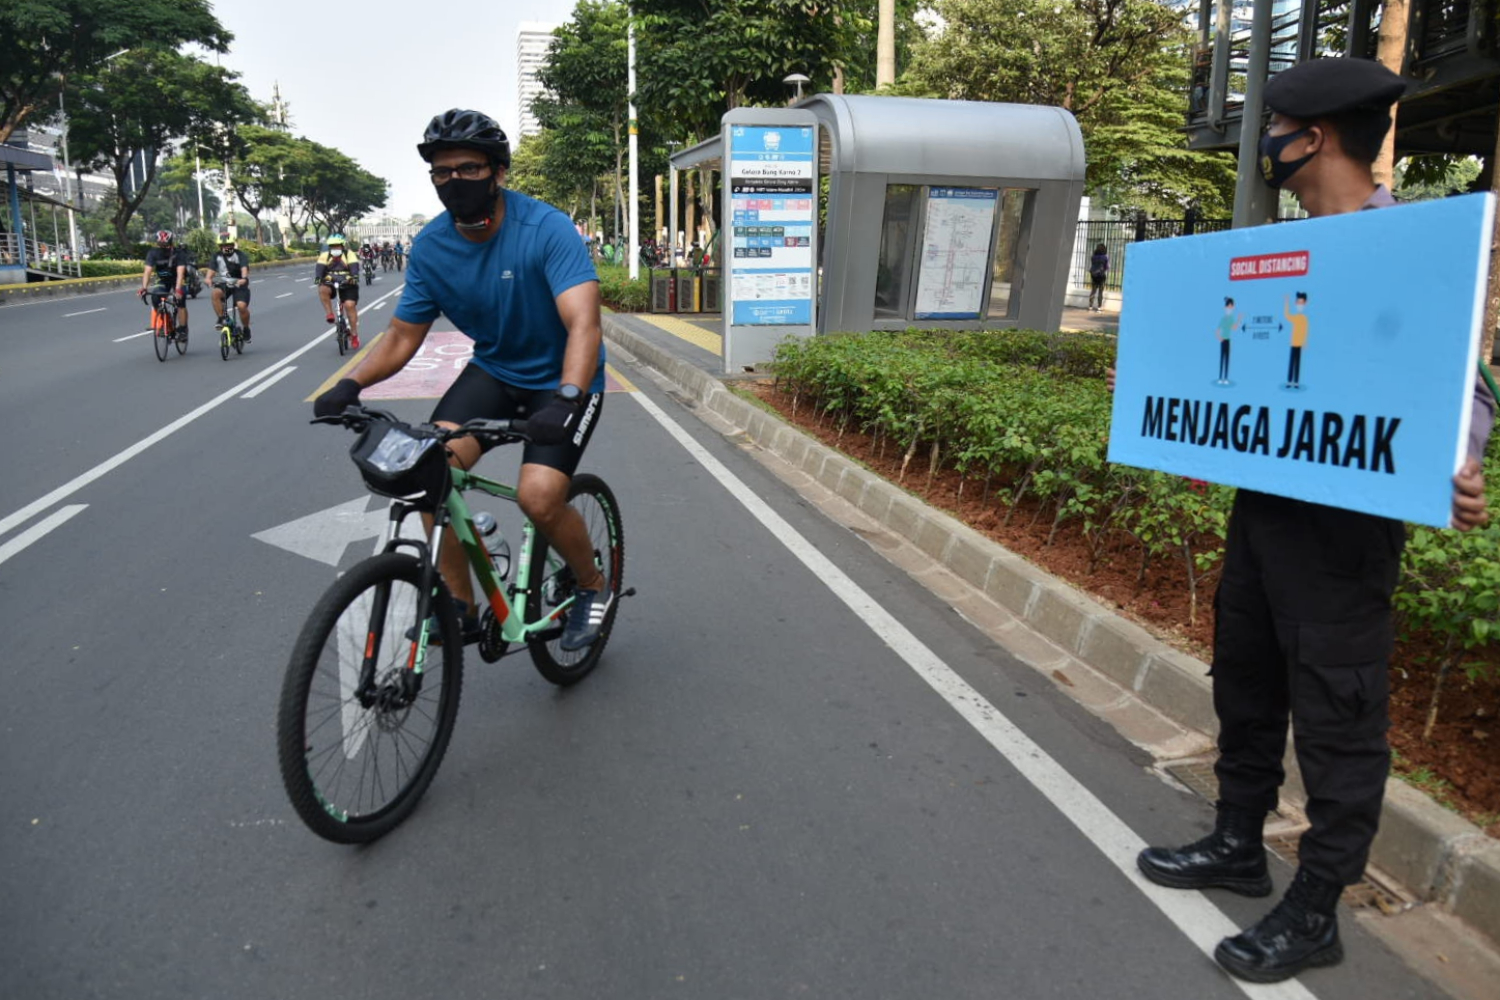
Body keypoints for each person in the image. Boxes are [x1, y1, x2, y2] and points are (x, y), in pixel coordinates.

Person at [1133, 57, 1495, 984]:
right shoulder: (1275, 252)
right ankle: (1237, 842)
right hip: (1266, 513)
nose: (1269, 147)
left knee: (1338, 720)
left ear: (1316, 137)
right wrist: (1171, 407)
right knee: (1245, 681)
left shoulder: (1413, 250)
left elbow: (1466, 387)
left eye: (1277, 129)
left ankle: (1318, 905)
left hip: (1345, 533)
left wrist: (1461, 466)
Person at [312, 108, 610, 652]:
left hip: (566, 379)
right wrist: (350, 385)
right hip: (495, 371)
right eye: (443, 172)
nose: (456, 181)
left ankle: (591, 586)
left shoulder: (544, 228)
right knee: (425, 474)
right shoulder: (430, 246)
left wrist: (567, 397)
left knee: (539, 497)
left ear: (497, 172)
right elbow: (403, 337)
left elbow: (583, 323)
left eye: (469, 169)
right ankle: (461, 604)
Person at [138, 229, 188, 338]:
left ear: (170, 243)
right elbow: (147, 271)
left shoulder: (178, 253)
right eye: (160, 244)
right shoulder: (153, 253)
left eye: (165, 244)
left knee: (180, 301)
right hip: (162, 280)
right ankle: (164, 321)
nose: (163, 246)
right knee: (155, 297)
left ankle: (183, 329)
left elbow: (180, 273)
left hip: (177, 280)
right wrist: (144, 288)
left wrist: (178, 290)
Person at [315, 234, 361, 348]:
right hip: (330, 282)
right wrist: (318, 278)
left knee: (349, 305)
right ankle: (330, 314)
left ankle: (354, 335)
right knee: (322, 288)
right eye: (332, 246)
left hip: (348, 282)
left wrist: (354, 277)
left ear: (342, 246)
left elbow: (354, 267)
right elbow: (319, 269)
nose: (335, 249)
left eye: (337, 246)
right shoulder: (325, 256)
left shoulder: (349, 254)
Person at [204, 231, 251, 343]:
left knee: (241, 306)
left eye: (229, 245)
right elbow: (211, 270)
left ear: (233, 245)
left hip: (239, 284)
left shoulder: (240, 255)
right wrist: (208, 279)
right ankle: (222, 319)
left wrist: (243, 278)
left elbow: (244, 268)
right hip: (225, 283)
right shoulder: (217, 256)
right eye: (223, 246)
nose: (226, 247)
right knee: (215, 293)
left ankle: (246, 328)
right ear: (220, 247)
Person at [1284, 291, 1308, 388]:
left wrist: (1304, 342)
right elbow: (1287, 315)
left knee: (1297, 363)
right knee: (1291, 362)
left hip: (1300, 344)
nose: (1299, 305)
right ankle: (1290, 381)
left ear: (1305, 304)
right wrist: (1286, 303)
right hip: (1293, 343)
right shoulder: (1296, 317)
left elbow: (1305, 331)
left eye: (1301, 303)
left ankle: (1296, 382)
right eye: (1298, 302)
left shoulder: (1304, 319)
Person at [1215, 296, 1240, 384]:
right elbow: (1217, 330)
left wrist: (1239, 319)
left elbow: (1234, 328)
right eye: (1228, 306)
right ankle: (1220, 377)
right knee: (1222, 358)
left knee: (1227, 359)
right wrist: (1219, 338)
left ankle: (1225, 378)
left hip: (1228, 341)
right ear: (1225, 308)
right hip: (1223, 341)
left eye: (1231, 307)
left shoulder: (1231, 318)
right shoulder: (1223, 319)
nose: (1230, 308)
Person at [1088, 243, 1109, 311]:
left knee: (1093, 291)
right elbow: (1106, 267)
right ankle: (1099, 307)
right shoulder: (1105, 257)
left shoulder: (1093, 257)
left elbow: (1093, 265)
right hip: (1101, 276)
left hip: (1094, 275)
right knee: (1100, 292)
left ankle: (1090, 306)